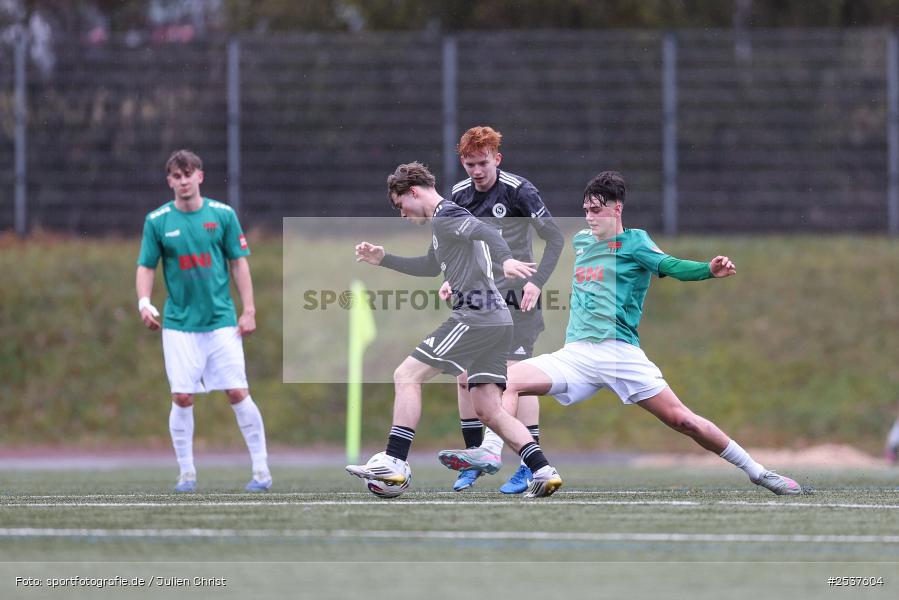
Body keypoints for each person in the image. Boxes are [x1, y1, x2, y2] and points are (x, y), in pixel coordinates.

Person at [442, 171, 802, 496]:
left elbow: (671, 265)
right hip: (577, 354)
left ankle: (758, 472)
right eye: (586, 209)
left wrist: (707, 269)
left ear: (617, 209)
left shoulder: (636, 243)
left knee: (683, 420)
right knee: (502, 380)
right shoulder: (582, 241)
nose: (589, 216)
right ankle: (491, 452)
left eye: (597, 209)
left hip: (619, 353)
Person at [348, 162, 562, 498]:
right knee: (489, 409)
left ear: (413, 192)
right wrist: (384, 258)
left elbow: (488, 233)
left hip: (476, 315)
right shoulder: (442, 221)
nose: (402, 215)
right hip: (498, 320)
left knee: (406, 375)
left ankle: (394, 461)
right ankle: (542, 469)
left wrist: (506, 259)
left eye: (401, 205)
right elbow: (430, 266)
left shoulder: (447, 214)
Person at [136, 149, 271, 493]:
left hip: (221, 321)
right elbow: (146, 266)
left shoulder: (222, 215)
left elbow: (239, 263)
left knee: (237, 392)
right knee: (182, 397)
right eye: (176, 176)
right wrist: (144, 303)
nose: (183, 181)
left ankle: (261, 471)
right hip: (179, 325)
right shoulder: (157, 221)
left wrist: (249, 310)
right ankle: (186, 474)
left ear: (200, 176)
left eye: (188, 174)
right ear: (170, 181)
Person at [443, 126, 565, 493]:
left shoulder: (519, 190)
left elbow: (555, 238)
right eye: (470, 164)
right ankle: (472, 459)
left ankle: (529, 466)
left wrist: (536, 282)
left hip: (517, 301)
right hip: (478, 300)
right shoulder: (459, 195)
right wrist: (450, 279)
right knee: (464, 376)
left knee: (515, 381)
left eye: (483, 163)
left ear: (497, 158)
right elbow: (454, 245)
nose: (477, 171)